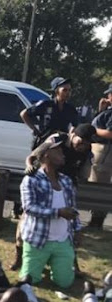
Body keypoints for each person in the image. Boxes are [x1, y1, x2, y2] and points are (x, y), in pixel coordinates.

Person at [11, 126, 95, 272]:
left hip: (65, 185)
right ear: (72, 134)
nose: (83, 146)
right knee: (26, 222)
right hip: (43, 182)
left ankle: (71, 263)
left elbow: (84, 174)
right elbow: (34, 155)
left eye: (87, 144)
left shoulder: (86, 152)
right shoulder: (58, 139)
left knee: (69, 227)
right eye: (81, 142)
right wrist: (30, 167)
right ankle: (19, 256)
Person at [19, 138, 81, 288]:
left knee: (65, 283)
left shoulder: (66, 180)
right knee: (29, 281)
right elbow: (29, 208)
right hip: (38, 240)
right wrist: (58, 213)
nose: (63, 154)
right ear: (46, 155)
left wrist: (78, 229)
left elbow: (73, 207)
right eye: (58, 151)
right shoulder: (31, 180)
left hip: (63, 240)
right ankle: (40, 262)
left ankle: (53, 264)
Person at [20, 77, 78, 149]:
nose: (68, 93)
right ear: (57, 91)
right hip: (45, 141)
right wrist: (35, 130)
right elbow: (24, 114)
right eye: (64, 90)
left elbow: (75, 125)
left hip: (62, 141)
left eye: (69, 90)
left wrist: (70, 135)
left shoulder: (70, 109)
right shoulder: (45, 104)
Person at [88, 93, 112, 228]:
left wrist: (93, 130)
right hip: (100, 149)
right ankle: (95, 218)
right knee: (95, 181)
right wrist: (101, 110)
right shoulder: (108, 112)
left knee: (100, 185)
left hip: (106, 151)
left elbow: (109, 133)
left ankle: (97, 220)